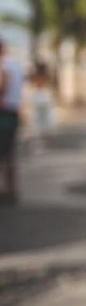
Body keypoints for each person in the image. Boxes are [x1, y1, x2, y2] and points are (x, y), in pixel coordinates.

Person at [0, 39, 24, 204]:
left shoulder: (4, 66)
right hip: (13, 112)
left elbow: (3, 87)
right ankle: (11, 190)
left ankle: (7, 190)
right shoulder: (15, 65)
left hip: (4, 113)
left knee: (4, 155)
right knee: (10, 154)